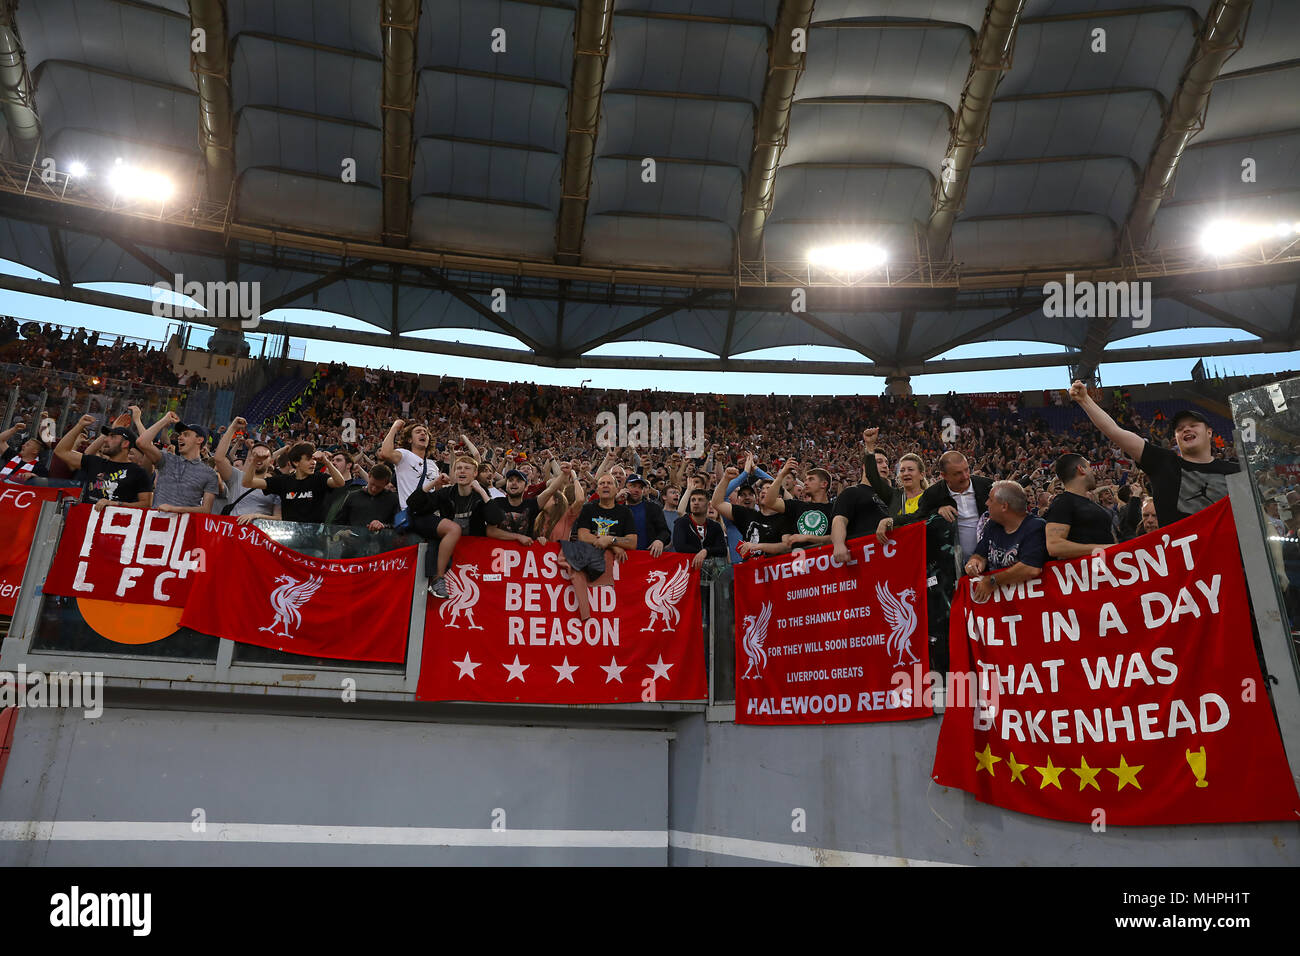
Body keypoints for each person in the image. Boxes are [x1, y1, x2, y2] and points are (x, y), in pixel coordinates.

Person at [1070, 382, 1240, 526]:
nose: (1186, 429)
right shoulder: (1163, 462)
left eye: (1193, 425)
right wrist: (1085, 400)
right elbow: (1115, 432)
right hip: (1184, 559)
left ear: (1209, 432)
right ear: (1175, 438)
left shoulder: (1237, 471)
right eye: (1179, 429)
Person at [562, 473, 636, 621]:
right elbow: (583, 536)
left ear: (617, 489)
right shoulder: (588, 509)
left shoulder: (625, 512)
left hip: (618, 576)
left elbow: (632, 542)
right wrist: (614, 545)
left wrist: (611, 540)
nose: (606, 486)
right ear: (597, 489)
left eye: (609, 483)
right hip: (590, 568)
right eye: (602, 483)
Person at [964, 480, 1047, 604]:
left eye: (991, 500)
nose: (986, 503)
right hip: (1001, 607)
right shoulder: (992, 525)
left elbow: (1031, 568)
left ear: (1004, 506)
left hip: (1029, 603)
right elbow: (980, 554)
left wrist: (992, 581)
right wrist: (974, 563)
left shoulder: (1035, 526)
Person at [53, 415, 151, 509]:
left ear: (125, 444)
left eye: (112, 437)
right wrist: (79, 425)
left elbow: (146, 504)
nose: (105, 440)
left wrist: (116, 504)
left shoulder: (138, 472)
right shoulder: (94, 462)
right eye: (107, 436)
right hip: (85, 521)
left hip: (115, 524)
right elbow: (61, 451)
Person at [133, 409, 219, 513]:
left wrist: (175, 510)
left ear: (199, 440)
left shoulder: (210, 474)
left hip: (184, 527)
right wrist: (165, 420)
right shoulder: (166, 459)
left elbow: (206, 510)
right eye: (180, 435)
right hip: (155, 523)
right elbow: (142, 442)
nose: (179, 438)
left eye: (186, 435)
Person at [246, 442, 347, 523]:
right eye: (308, 459)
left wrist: (326, 461)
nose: (313, 463)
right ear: (296, 462)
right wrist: (255, 461)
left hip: (315, 540)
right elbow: (248, 483)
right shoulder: (283, 481)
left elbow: (340, 483)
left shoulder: (319, 478)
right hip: (289, 538)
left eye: (314, 459)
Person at [1043, 453, 1115, 559]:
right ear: (1081, 469)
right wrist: (1105, 548)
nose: (1093, 472)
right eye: (1090, 467)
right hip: (1087, 572)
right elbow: (1054, 546)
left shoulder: (1092, 504)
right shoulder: (1062, 502)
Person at [211, 417, 281, 524]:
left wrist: (256, 516)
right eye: (256, 455)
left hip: (256, 536)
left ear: (271, 461)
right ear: (249, 458)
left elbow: (279, 518)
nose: (259, 458)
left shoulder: (276, 485)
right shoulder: (237, 476)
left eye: (264, 456)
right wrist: (233, 428)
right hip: (232, 532)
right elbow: (219, 458)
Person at [712, 469, 785, 561]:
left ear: (756, 499)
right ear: (737, 500)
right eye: (742, 495)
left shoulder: (783, 517)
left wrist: (756, 470)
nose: (747, 497)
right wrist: (744, 473)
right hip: (743, 572)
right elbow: (718, 500)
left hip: (772, 570)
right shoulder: (739, 517)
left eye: (750, 494)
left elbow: (780, 490)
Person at [762, 458, 834, 549]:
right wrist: (782, 474)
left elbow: (836, 537)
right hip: (799, 560)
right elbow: (769, 502)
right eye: (806, 480)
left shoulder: (835, 508)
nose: (805, 483)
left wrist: (807, 537)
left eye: (811, 479)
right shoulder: (797, 506)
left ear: (824, 484)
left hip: (823, 559)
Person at [672, 487, 729, 567]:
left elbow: (723, 550)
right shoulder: (681, 523)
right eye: (693, 500)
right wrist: (703, 552)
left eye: (700, 500)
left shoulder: (715, 526)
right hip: (686, 569)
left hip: (709, 572)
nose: (696, 503)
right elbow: (680, 547)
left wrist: (706, 551)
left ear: (708, 504)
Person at [335, 463, 399, 531]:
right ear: (369, 476)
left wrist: (383, 526)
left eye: (378, 487)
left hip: (380, 540)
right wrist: (342, 532)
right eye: (372, 484)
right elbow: (338, 522)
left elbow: (398, 525)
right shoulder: (353, 496)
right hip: (352, 539)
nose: (374, 489)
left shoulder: (393, 499)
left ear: (386, 484)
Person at [485, 468, 541, 545]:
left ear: (526, 487)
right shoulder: (497, 502)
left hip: (525, 554)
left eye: (518, 481)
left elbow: (551, 489)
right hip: (498, 552)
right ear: (506, 485)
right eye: (510, 480)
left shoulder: (532, 504)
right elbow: (491, 531)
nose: (514, 483)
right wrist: (518, 537)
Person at [622, 473, 670, 556]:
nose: (637, 490)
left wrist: (660, 540)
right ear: (625, 488)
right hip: (623, 557)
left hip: (648, 558)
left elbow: (665, 531)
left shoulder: (653, 508)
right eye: (633, 486)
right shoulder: (618, 509)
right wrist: (615, 500)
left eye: (640, 487)